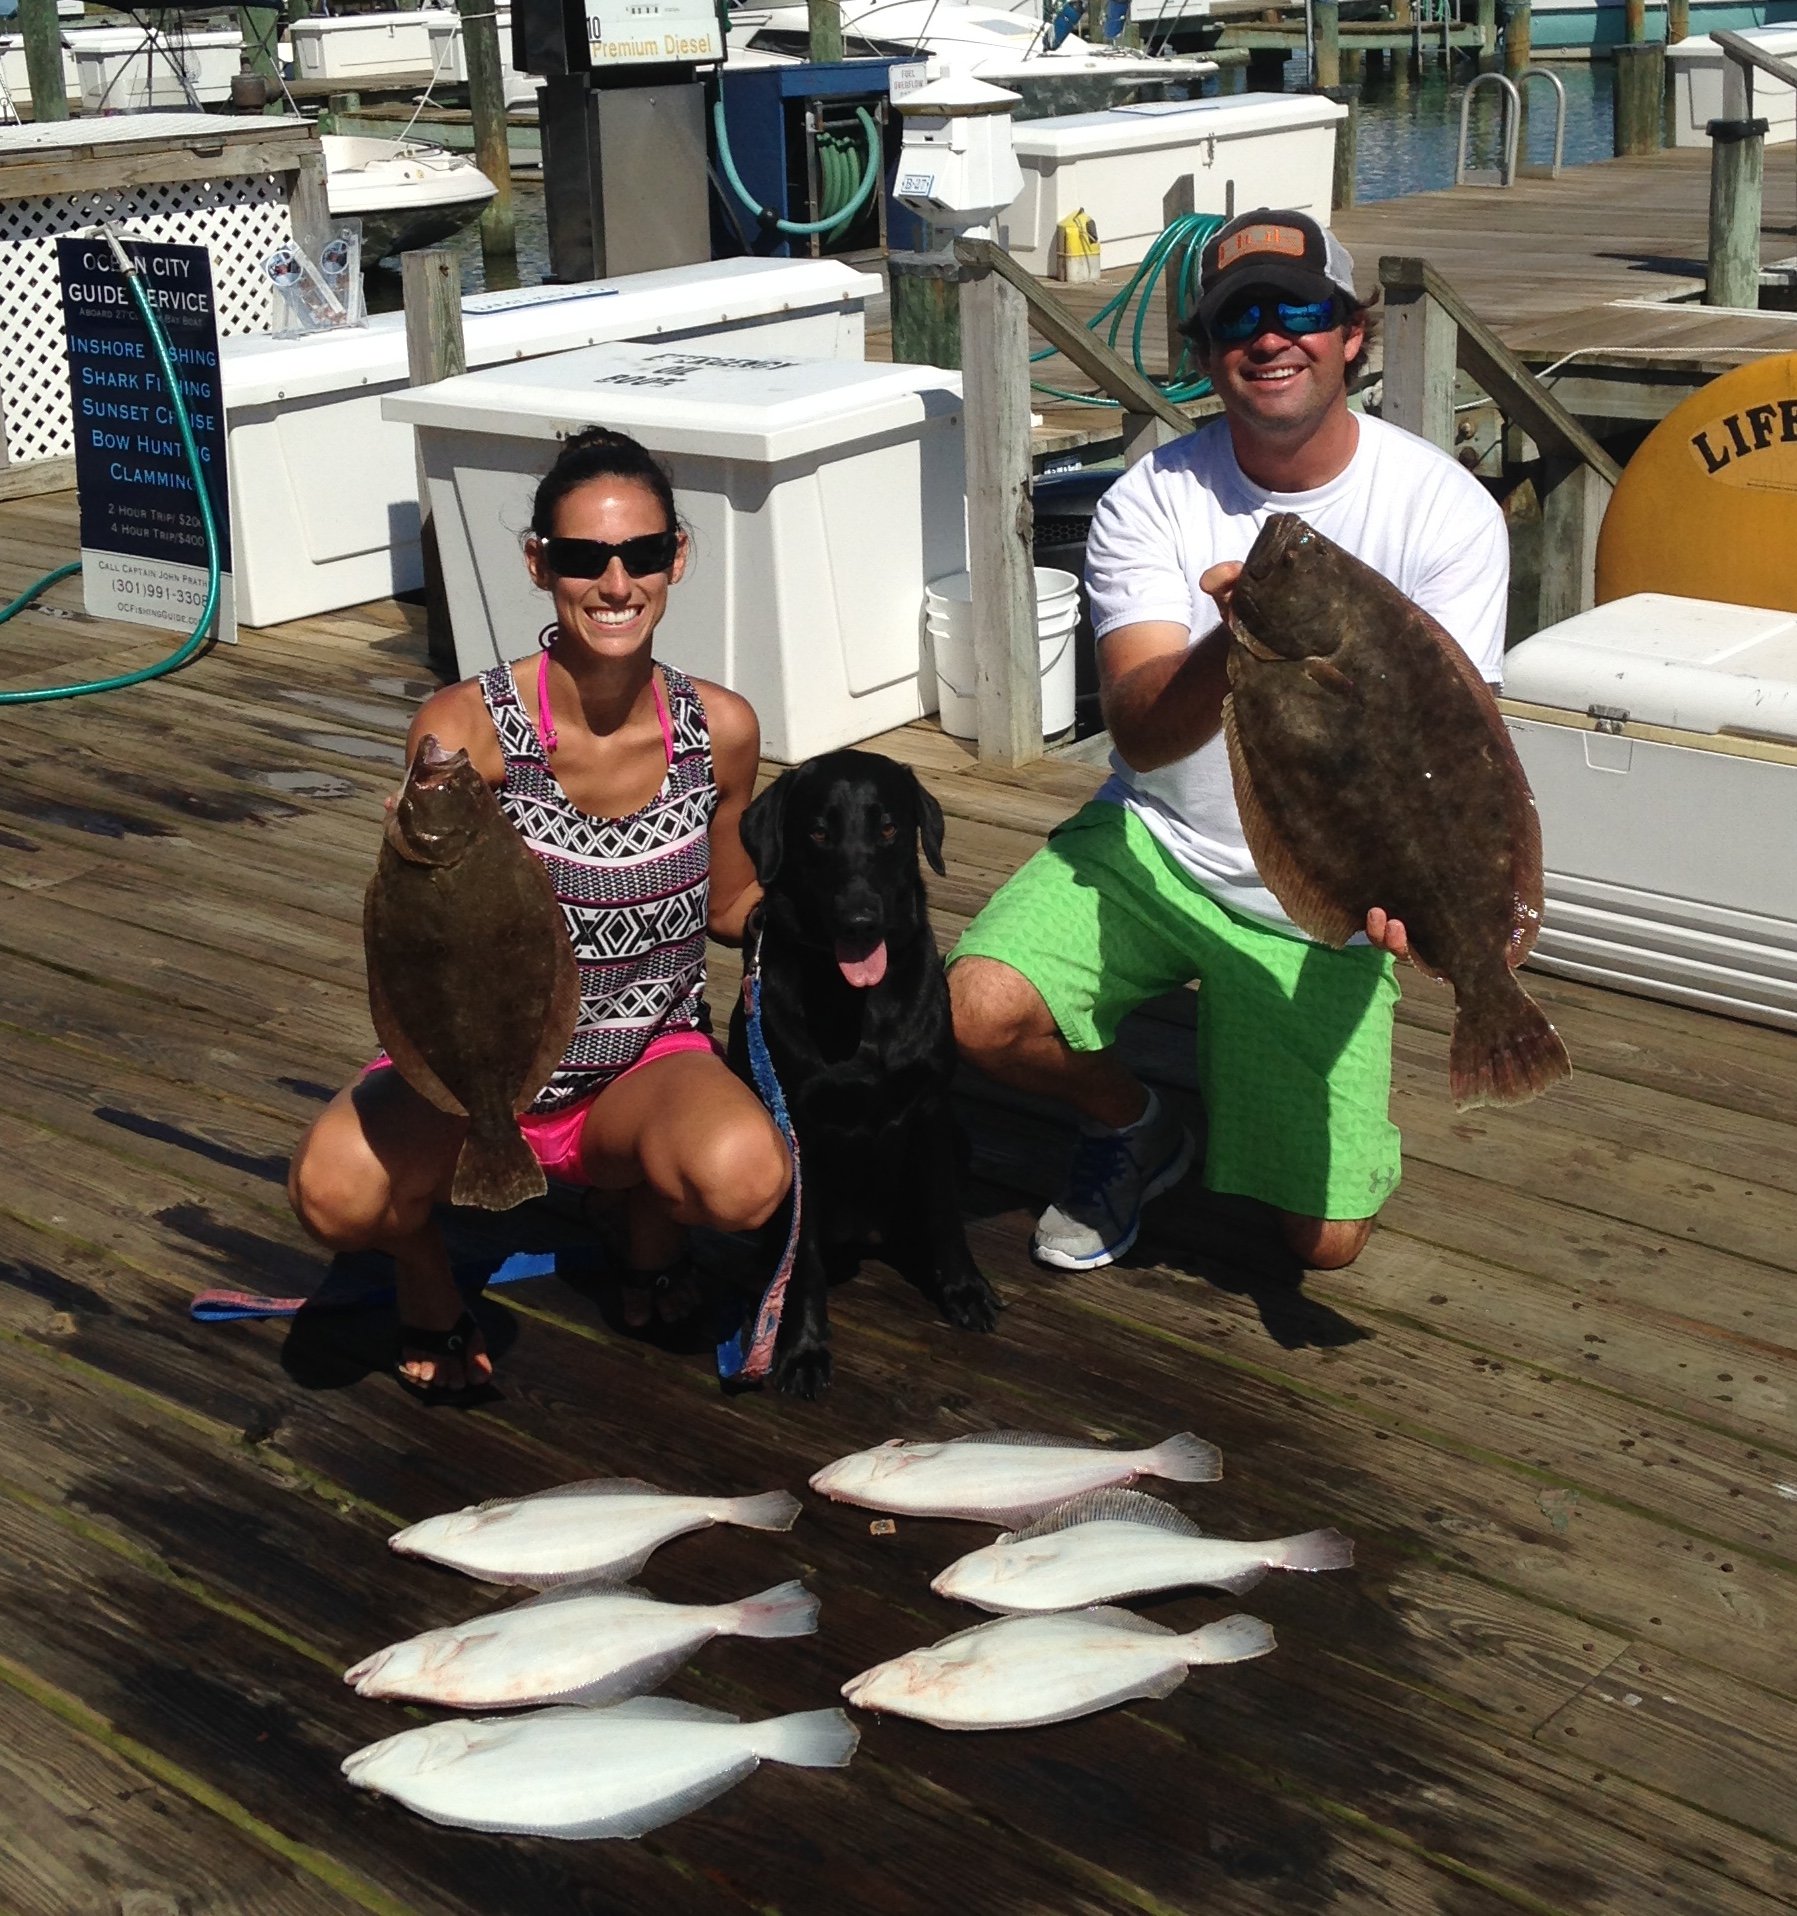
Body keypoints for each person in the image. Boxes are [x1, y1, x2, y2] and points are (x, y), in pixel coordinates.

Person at [950, 208, 1510, 1277]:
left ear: (1352, 333)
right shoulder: (1151, 498)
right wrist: (1240, 635)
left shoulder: (1445, 511)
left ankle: (1267, 1056)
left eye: (1298, 311)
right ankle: (1131, 1121)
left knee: (1323, 1247)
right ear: (1207, 354)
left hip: (1323, 905)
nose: (1269, 337)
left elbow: (1457, 754)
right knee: (975, 1011)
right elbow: (1141, 733)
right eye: (1237, 319)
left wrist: (1419, 893)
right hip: (1154, 847)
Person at [289, 427, 791, 1394]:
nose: (615, 583)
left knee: (744, 1179)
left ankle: (641, 1220)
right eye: (581, 557)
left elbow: (731, 903)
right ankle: (425, 1276)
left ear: (677, 557)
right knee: (331, 1195)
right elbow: (421, 938)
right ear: (537, 564)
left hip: (640, 1065)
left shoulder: (721, 729)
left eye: (642, 553)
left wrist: (843, 912)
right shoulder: (460, 729)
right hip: (471, 1076)